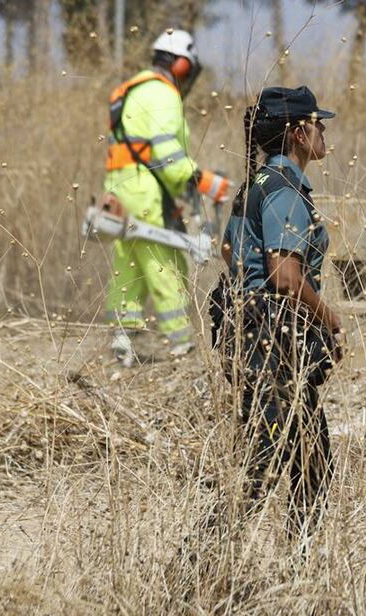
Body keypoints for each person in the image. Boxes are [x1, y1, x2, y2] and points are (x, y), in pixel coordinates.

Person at [211, 86, 342, 543]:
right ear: (298, 133)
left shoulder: (258, 184)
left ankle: (301, 567)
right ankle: (200, 562)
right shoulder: (285, 190)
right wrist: (328, 318)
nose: (324, 132)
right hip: (272, 345)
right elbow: (285, 276)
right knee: (261, 471)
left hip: (254, 336)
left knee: (311, 463)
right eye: (317, 124)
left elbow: (227, 250)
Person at [103, 29, 231, 367]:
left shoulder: (134, 89)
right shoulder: (162, 93)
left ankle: (121, 345)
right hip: (147, 192)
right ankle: (182, 346)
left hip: (121, 188)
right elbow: (166, 154)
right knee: (166, 264)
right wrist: (201, 181)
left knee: (129, 267)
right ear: (181, 65)